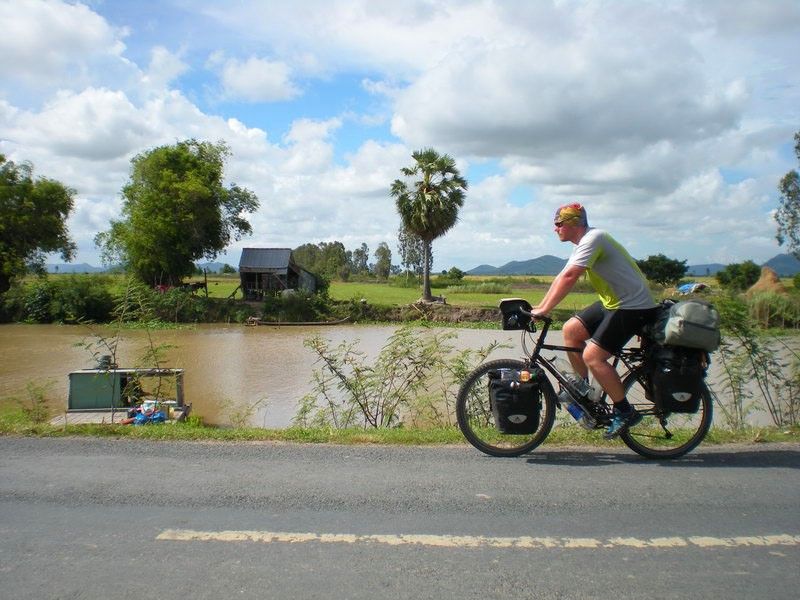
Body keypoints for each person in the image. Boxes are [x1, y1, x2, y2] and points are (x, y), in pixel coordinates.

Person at [532, 203, 659, 439]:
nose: (555, 228)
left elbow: (571, 276)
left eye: (559, 224)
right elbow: (563, 275)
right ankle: (584, 393)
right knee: (571, 330)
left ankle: (625, 411)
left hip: (634, 306)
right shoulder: (583, 243)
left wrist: (546, 309)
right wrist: (540, 307)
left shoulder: (594, 238)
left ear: (573, 223)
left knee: (593, 356)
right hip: (614, 303)